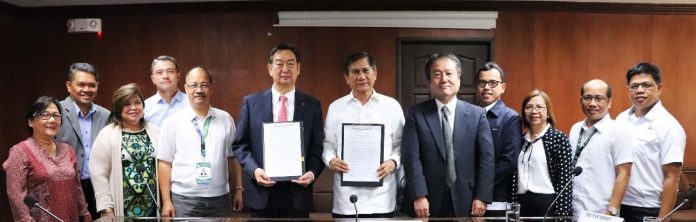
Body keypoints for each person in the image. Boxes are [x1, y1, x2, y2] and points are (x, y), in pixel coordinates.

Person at [233, 43, 325, 218]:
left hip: (298, 194)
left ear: (298, 68)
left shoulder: (312, 105)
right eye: (279, 63)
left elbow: (317, 147)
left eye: (290, 64)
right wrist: (254, 170)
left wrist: (312, 173)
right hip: (262, 193)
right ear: (269, 68)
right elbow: (240, 145)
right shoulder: (252, 103)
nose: (285, 69)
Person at [402, 53, 494, 218]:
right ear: (429, 82)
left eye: (449, 73)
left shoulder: (477, 115)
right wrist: (419, 195)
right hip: (427, 200)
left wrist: (482, 196)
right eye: (437, 74)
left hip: (468, 197)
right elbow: (411, 157)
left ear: (459, 78)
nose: (444, 79)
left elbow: (487, 159)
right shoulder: (416, 114)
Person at [323, 52, 405, 218]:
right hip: (346, 200)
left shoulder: (392, 107)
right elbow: (328, 144)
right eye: (355, 72)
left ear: (375, 73)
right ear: (347, 77)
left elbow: (402, 144)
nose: (361, 76)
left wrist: (393, 161)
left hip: (382, 198)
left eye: (365, 71)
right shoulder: (336, 108)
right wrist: (330, 160)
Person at [157, 67, 243, 217]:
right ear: (185, 88)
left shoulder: (225, 119)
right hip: (184, 199)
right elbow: (164, 163)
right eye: (193, 85)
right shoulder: (172, 122)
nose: (199, 90)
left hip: (220, 199)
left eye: (204, 85)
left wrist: (238, 189)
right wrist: (166, 201)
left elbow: (232, 157)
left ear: (211, 89)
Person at [4, 96, 92, 222]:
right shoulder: (20, 152)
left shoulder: (68, 150)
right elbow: (16, 195)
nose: (52, 120)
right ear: (30, 121)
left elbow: (77, 187)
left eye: (56, 115)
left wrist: (85, 213)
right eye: (45, 115)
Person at [616, 63, 685, 222]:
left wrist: (663, 218)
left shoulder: (669, 126)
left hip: (648, 208)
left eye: (646, 85)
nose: (639, 90)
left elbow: (672, 177)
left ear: (659, 88)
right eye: (634, 86)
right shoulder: (621, 119)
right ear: (628, 90)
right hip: (619, 203)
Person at [89, 83, 160, 218]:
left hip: (152, 206)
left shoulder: (156, 132)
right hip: (120, 209)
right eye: (127, 104)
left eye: (137, 103)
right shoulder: (107, 134)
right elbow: (98, 175)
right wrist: (106, 208)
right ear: (118, 108)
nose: (133, 108)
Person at [569, 79, 632, 217]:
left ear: (609, 102)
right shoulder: (575, 129)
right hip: (573, 209)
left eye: (599, 98)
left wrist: (611, 209)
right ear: (581, 100)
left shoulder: (618, 130)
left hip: (600, 212)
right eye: (587, 98)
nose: (592, 104)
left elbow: (624, 173)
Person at [55, 62, 110, 218]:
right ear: (68, 85)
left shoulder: (106, 115)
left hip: (97, 187)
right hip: (65, 186)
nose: (86, 90)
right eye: (81, 85)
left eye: (91, 85)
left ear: (97, 86)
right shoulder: (55, 113)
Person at [511, 89, 573, 219]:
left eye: (539, 107)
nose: (534, 111)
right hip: (522, 203)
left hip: (547, 204)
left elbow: (565, 179)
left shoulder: (558, 138)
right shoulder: (521, 140)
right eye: (529, 107)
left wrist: (561, 214)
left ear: (548, 112)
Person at [475, 62, 522, 216]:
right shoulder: (469, 114)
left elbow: (508, 162)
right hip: (467, 195)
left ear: (503, 87)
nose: (487, 87)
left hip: (495, 198)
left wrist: (481, 188)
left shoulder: (511, 118)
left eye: (493, 83)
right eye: (482, 82)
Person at [144, 55, 190, 127]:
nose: (165, 76)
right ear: (153, 79)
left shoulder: (192, 102)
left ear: (178, 76)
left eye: (170, 71)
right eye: (159, 72)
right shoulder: (145, 107)